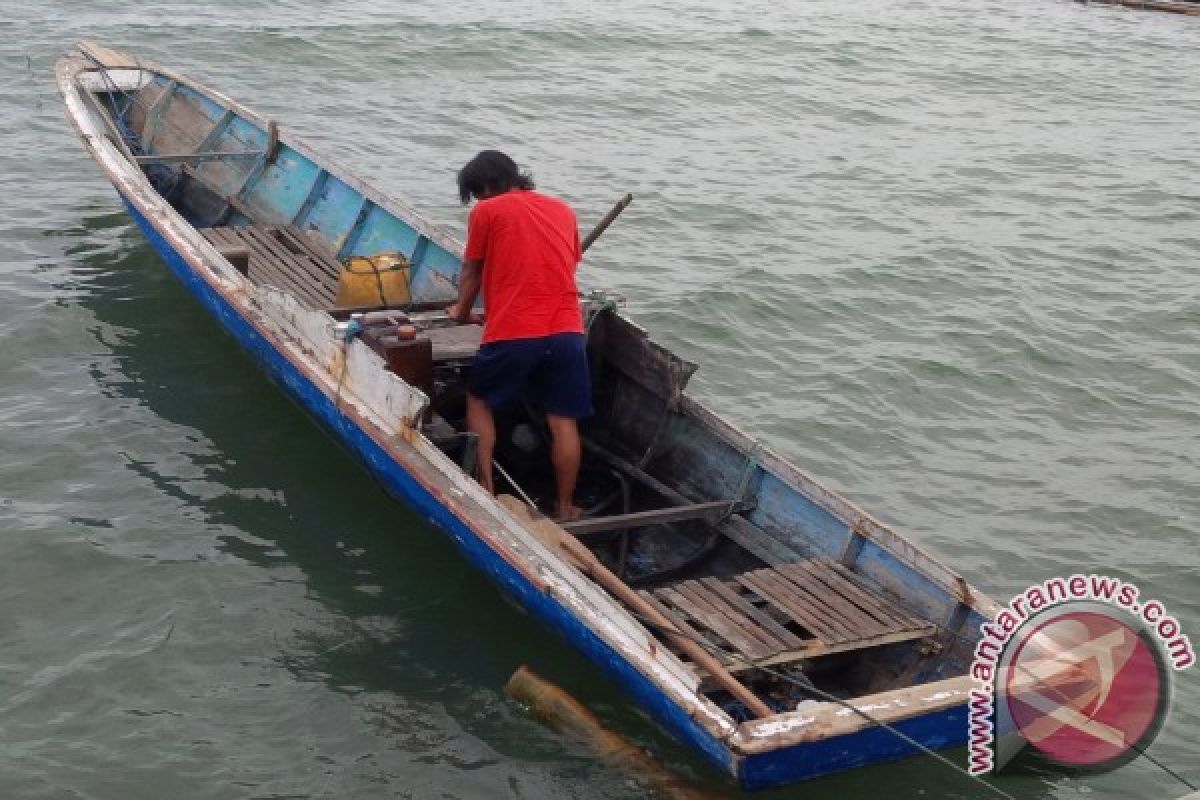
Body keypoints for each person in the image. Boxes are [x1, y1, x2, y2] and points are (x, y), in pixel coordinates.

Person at [447, 150, 591, 520]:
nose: (477, 202)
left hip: (514, 331)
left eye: (477, 194)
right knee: (563, 420)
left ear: (487, 186)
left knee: (479, 398)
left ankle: (484, 491)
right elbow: (558, 265)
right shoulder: (563, 209)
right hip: (568, 331)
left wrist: (461, 312)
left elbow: (472, 271)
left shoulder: (487, 211)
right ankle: (565, 507)